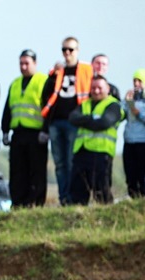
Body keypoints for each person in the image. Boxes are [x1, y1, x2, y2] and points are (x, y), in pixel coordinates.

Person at [41, 37, 94, 204]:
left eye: (71, 49)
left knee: (72, 161)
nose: (67, 53)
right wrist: (52, 76)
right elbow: (46, 95)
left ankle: (73, 196)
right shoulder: (58, 71)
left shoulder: (86, 70)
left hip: (75, 122)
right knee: (59, 163)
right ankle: (63, 197)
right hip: (56, 121)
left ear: (77, 50)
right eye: (64, 50)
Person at [1, 49, 49, 207]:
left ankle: (35, 202)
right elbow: (8, 108)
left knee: (36, 170)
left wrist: (45, 130)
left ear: (35, 63)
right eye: (21, 63)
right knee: (17, 170)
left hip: (36, 133)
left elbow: (49, 107)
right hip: (18, 133)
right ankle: (18, 202)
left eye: (26, 63)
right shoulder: (15, 83)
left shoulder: (43, 81)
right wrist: (5, 130)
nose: (23, 67)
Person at [68, 76, 123, 205]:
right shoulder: (85, 104)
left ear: (107, 89)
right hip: (82, 151)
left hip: (101, 153)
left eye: (99, 88)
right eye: (93, 88)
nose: (96, 91)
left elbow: (105, 122)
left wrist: (85, 120)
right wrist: (93, 119)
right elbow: (72, 118)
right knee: (77, 192)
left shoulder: (113, 105)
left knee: (101, 191)